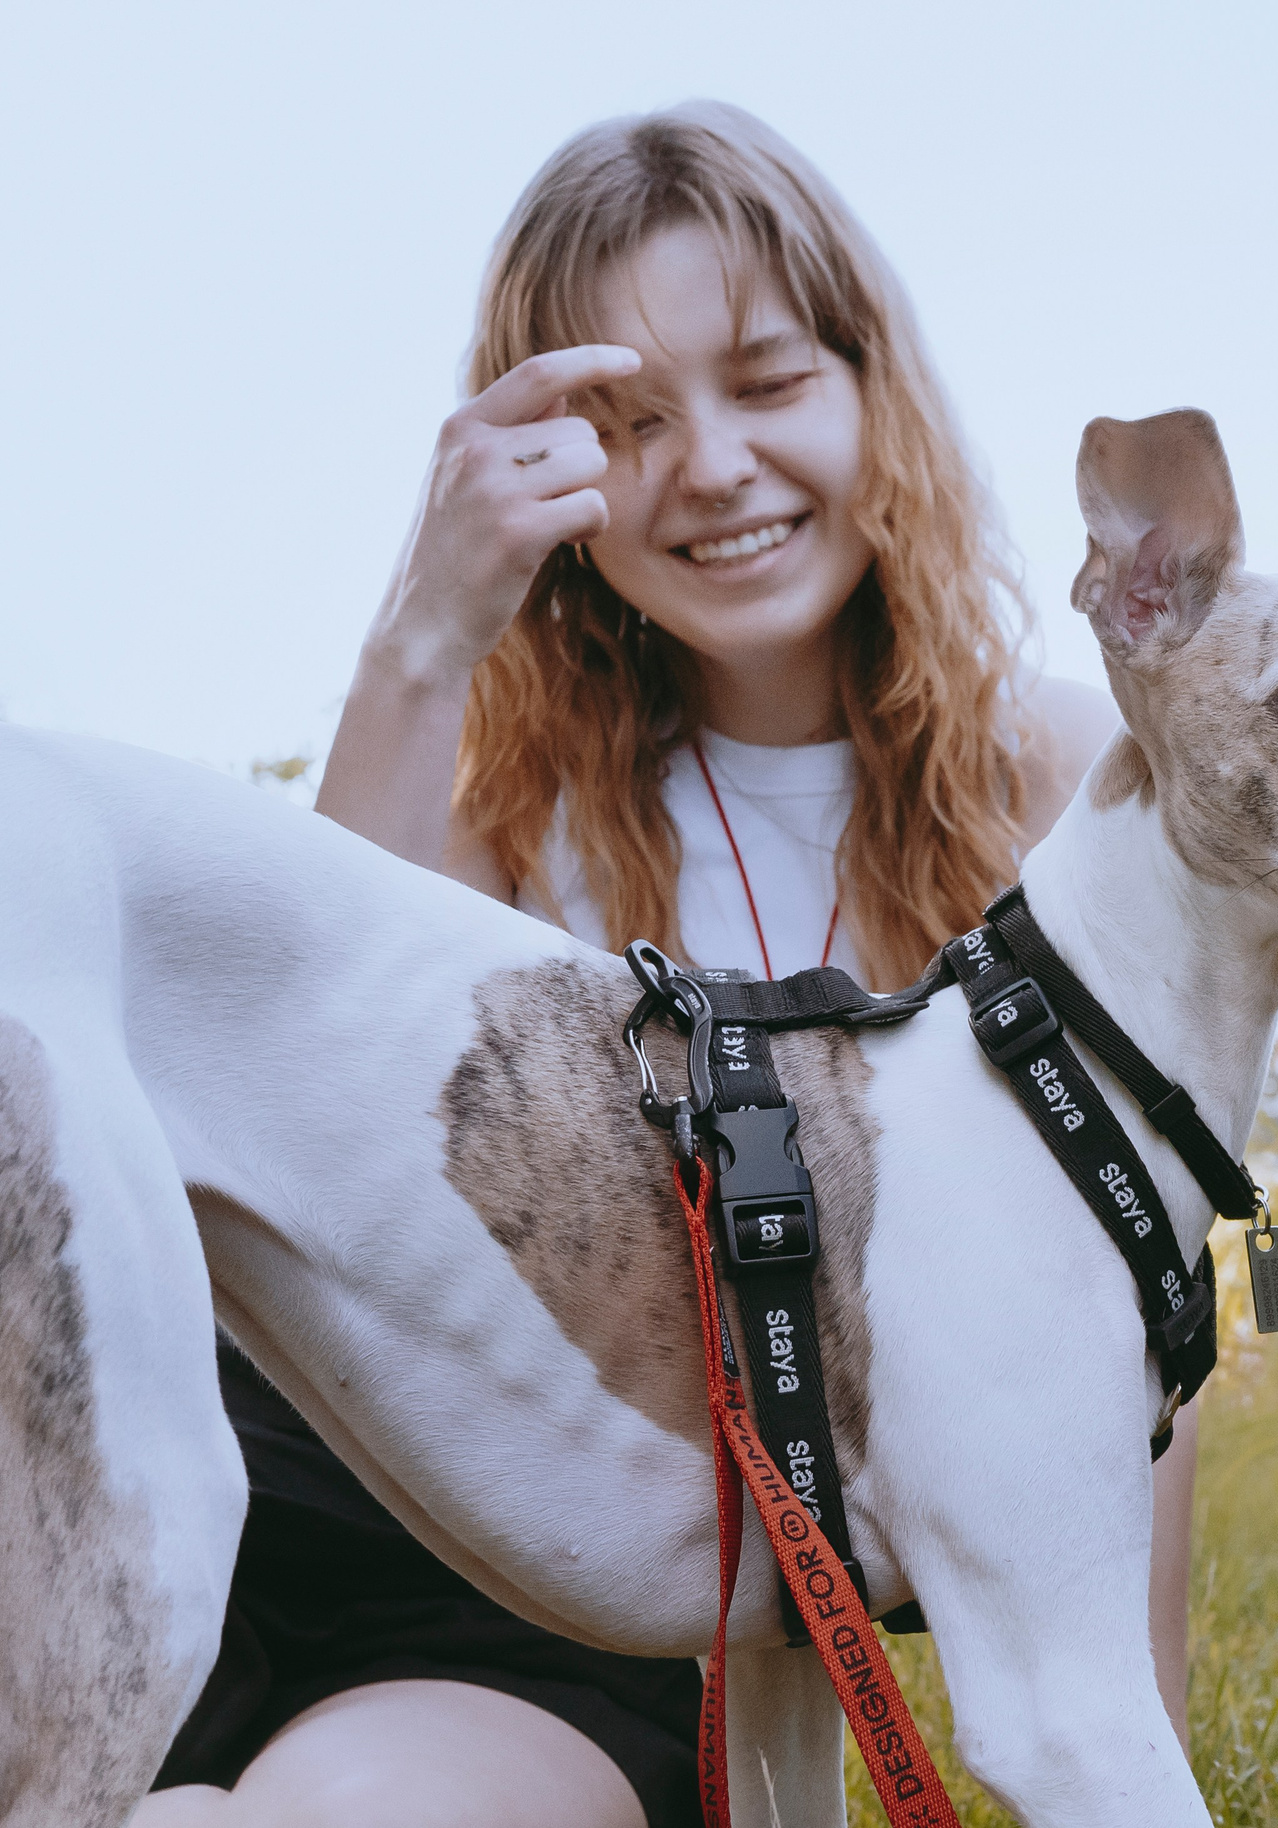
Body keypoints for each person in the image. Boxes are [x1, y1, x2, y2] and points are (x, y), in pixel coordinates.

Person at [142, 100, 1194, 1828]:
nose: (708, 467)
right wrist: (427, 632)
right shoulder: (505, 808)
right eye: (628, 424)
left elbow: (1136, 1326)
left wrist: (1139, 1747)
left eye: (771, 383)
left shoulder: (1064, 797)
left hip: (530, 1616)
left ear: (876, 392)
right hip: (264, 1474)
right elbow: (283, 1038)